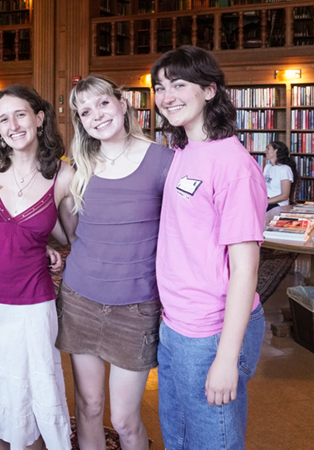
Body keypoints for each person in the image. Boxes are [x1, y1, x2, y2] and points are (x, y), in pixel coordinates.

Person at [151, 45, 268, 450]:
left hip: (211, 333)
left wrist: (226, 358)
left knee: (213, 442)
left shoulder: (233, 165)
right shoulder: (183, 151)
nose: (167, 96)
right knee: (179, 437)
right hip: (175, 324)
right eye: (160, 87)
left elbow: (245, 270)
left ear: (210, 90)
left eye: (179, 84)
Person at [0, 84, 76, 450]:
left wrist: (50, 247)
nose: (13, 125)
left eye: (20, 114)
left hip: (31, 301)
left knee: (30, 388)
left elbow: (71, 237)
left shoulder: (64, 176)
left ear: (39, 118)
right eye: (3, 119)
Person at [55, 74, 173, 450]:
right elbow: (73, 233)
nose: (96, 115)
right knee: (88, 407)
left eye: (103, 103)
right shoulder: (79, 167)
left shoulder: (163, 161)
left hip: (135, 307)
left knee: (123, 419)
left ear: (122, 103)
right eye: (85, 111)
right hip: (80, 300)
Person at [264, 140, 298, 210]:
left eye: (268, 148)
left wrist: (264, 202)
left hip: (278, 203)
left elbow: (284, 196)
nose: (265, 151)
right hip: (265, 200)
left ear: (276, 151)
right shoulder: (267, 167)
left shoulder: (285, 169)